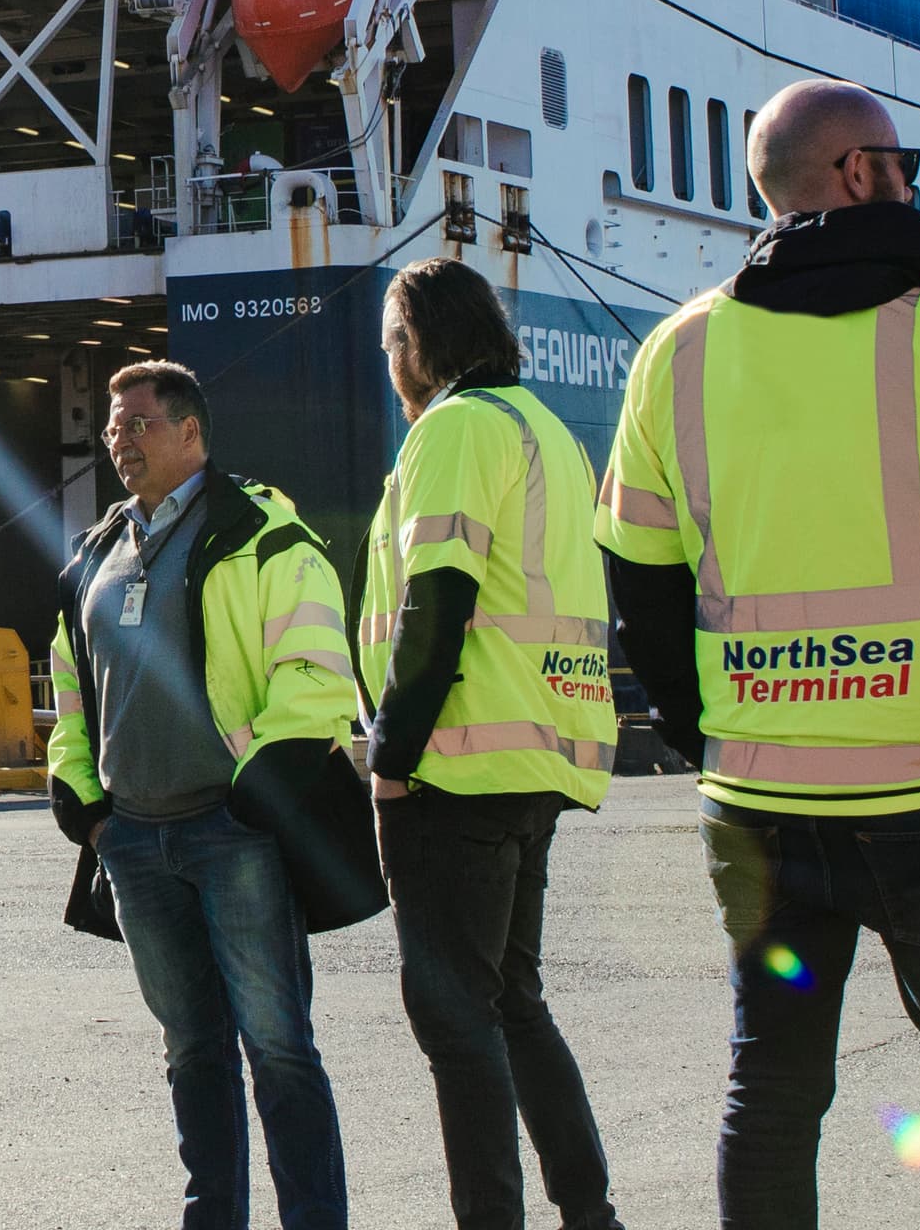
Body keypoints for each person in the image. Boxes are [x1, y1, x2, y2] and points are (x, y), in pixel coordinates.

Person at [595, 77, 920, 1230]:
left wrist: (708, 734)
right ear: (862, 173)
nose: (909, 182)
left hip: (764, 801)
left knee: (770, 1092)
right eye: (901, 161)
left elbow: (644, 588)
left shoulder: (675, 353)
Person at [49, 357, 359, 1230]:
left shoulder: (259, 531)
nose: (119, 438)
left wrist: (264, 780)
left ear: (190, 432)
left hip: (234, 833)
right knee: (191, 1052)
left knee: (280, 1050)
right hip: (137, 843)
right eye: (113, 425)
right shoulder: (100, 550)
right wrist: (80, 791)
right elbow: (70, 683)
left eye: (138, 422)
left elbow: (315, 665)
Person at [359, 258, 624, 1230]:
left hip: (456, 768)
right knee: (514, 1001)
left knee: (457, 1024)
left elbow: (438, 602)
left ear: (423, 341)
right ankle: (588, 1211)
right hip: (535, 756)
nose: (389, 364)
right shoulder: (544, 429)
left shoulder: (454, 429)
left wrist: (391, 760)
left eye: (393, 342)